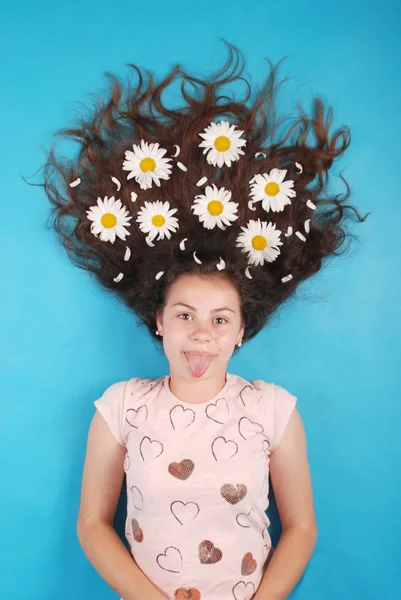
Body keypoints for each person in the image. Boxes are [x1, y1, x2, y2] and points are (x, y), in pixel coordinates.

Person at [35, 41, 367, 600]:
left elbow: (302, 528)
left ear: (241, 331)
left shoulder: (273, 408)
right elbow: (93, 525)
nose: (202, 333)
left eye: (220, 320)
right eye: (185, 315)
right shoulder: (121, 407)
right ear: (159, 321)